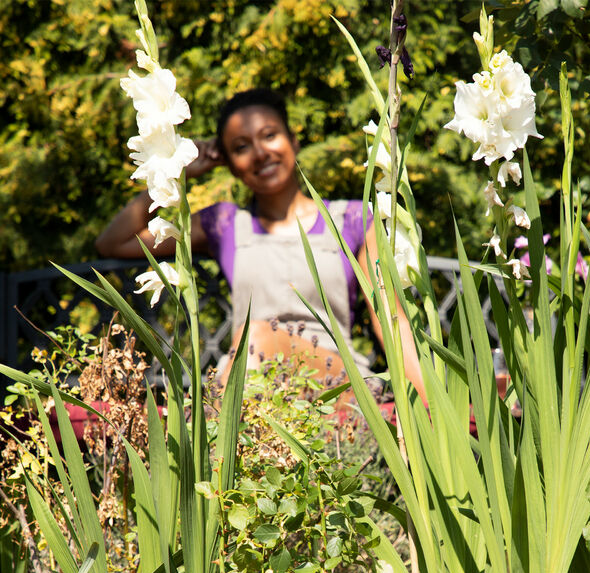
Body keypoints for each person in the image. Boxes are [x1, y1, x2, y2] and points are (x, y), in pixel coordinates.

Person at [96, 88, 425, 400]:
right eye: (241, 147)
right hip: (252, 385)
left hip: (334, 383)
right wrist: (176, 168)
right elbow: (115, 242)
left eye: (270, 135)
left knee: (254, 340)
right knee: (251, 347)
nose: (260, 152)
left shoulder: (353, 220)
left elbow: (390, 318)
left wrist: (432, 412)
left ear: (293, 141)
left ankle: (218, 450)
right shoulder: (224, 226)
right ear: (229, 164)